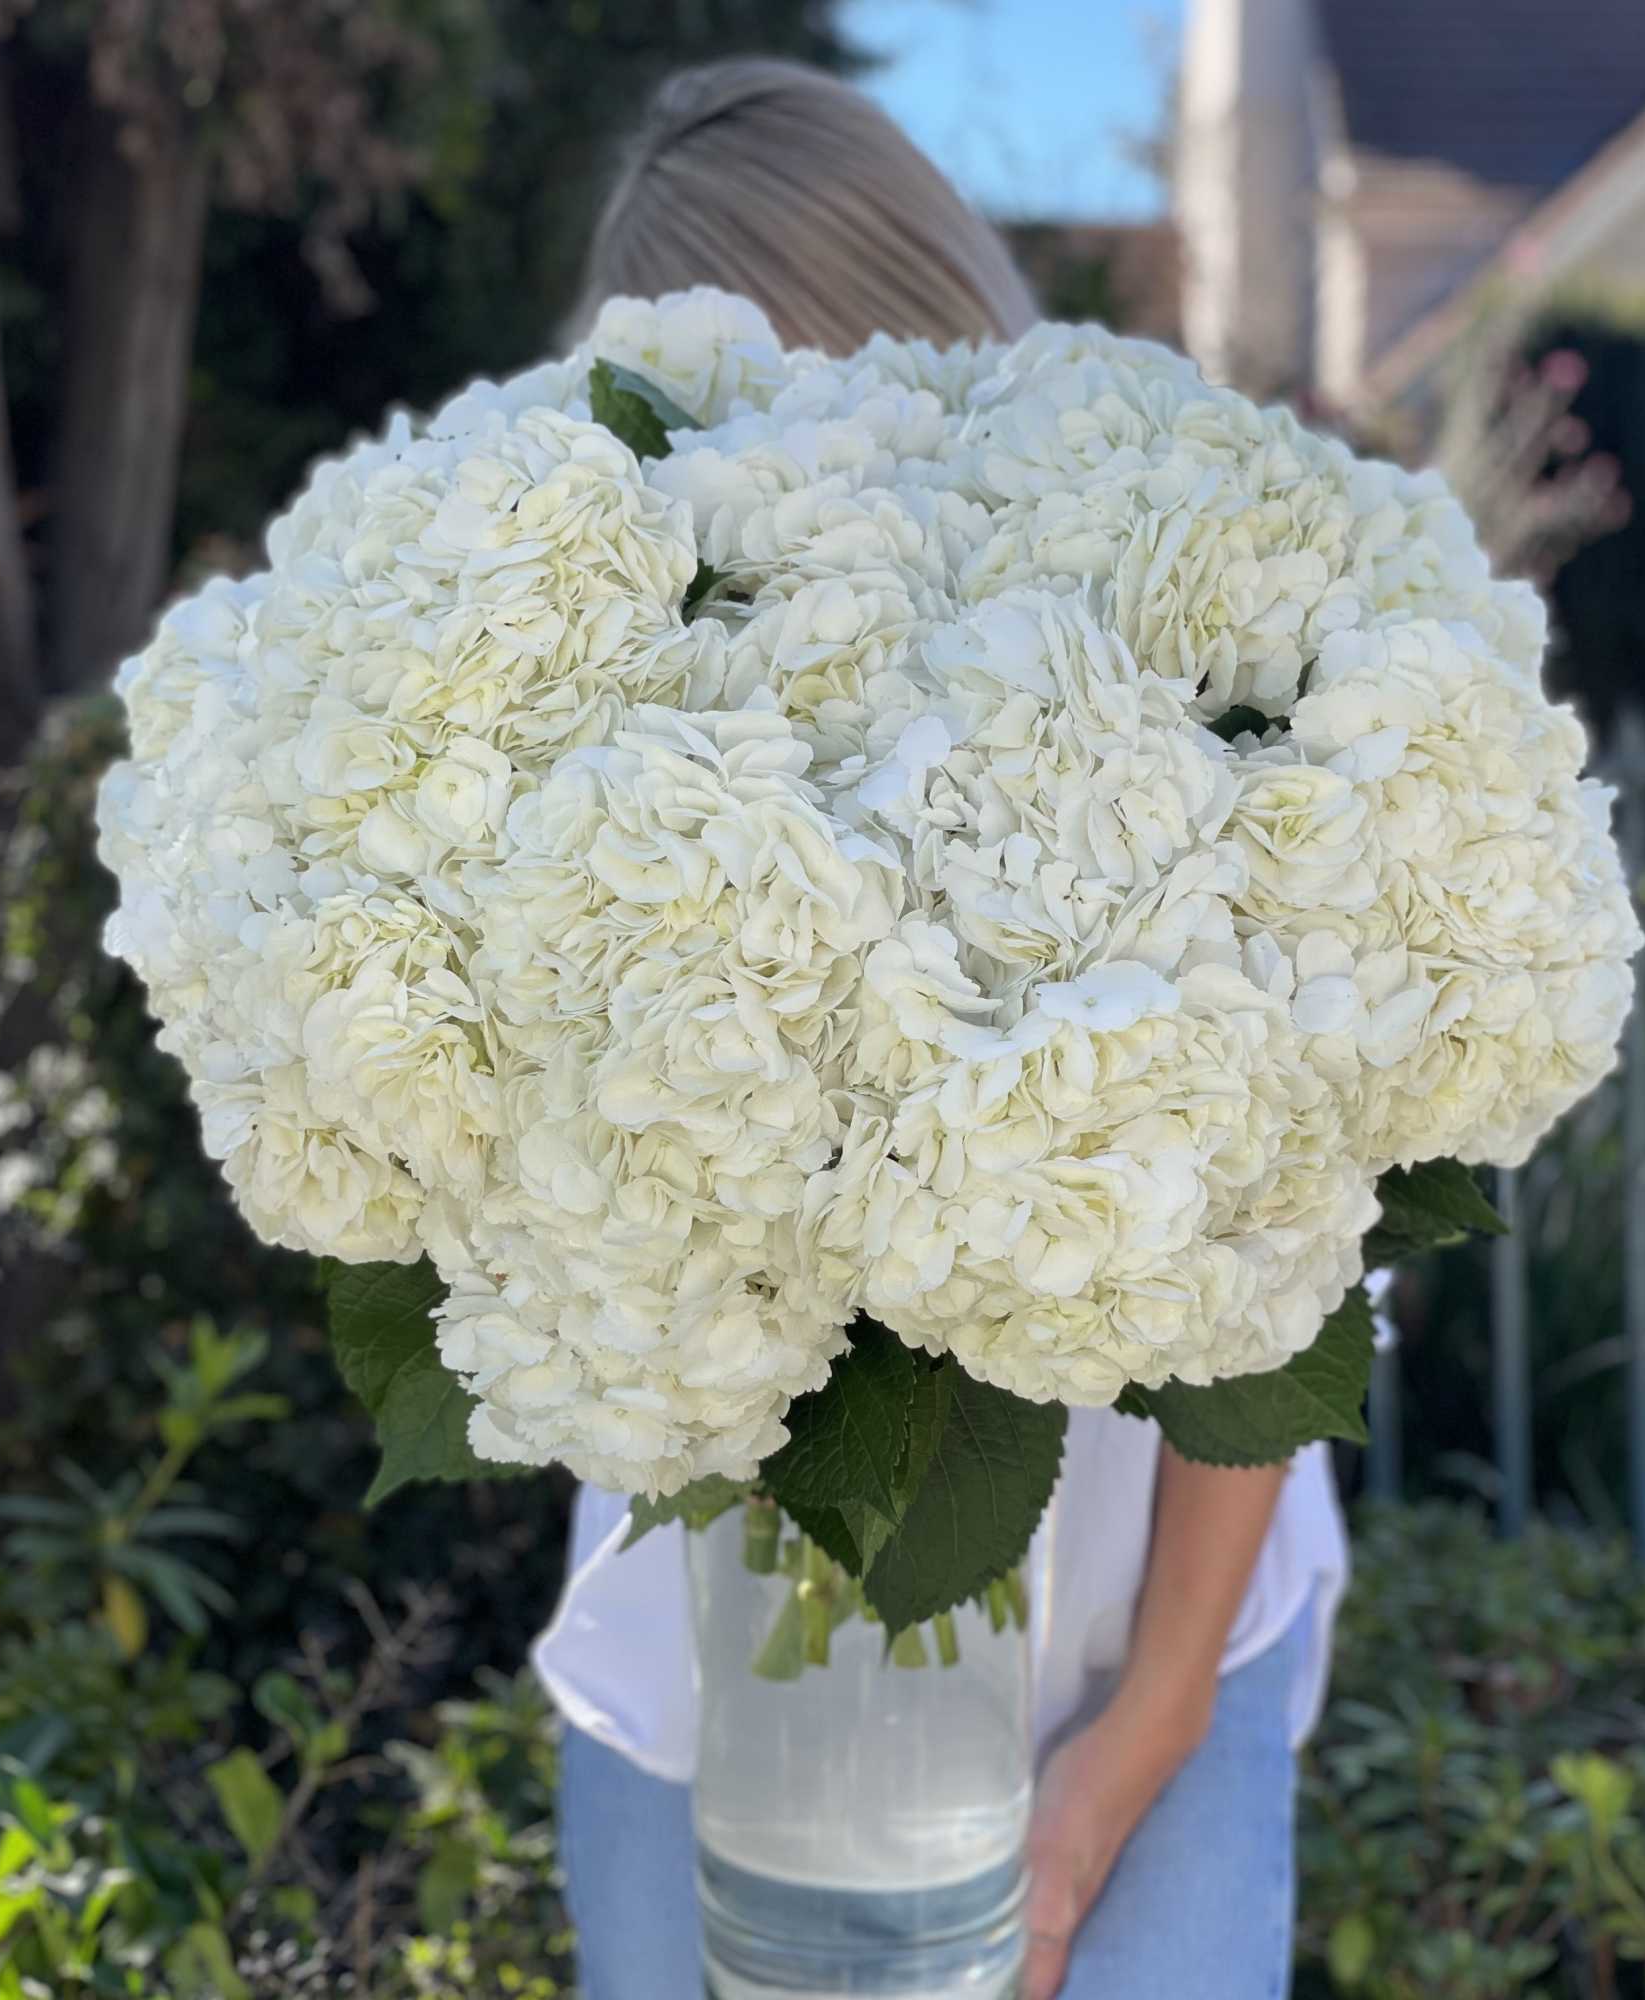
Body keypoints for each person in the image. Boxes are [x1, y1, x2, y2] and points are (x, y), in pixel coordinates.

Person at [536, 57, 1352, 2000]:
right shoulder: (622, 719)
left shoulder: (1176, 664)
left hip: (1146, 1636)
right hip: (701, 1669)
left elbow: (1299, 1259)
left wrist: (1135, 1746)